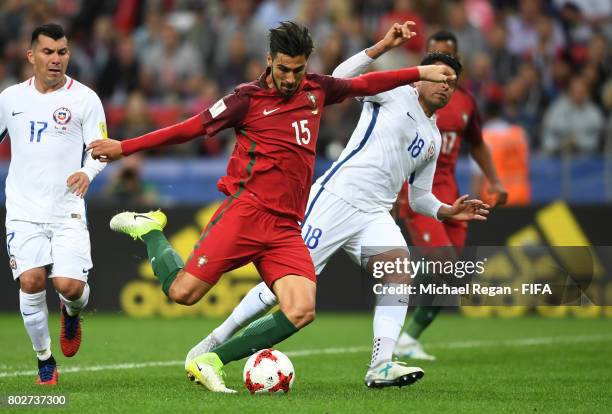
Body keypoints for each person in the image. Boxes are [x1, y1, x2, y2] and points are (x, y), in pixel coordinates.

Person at [88, 21, 457, 393]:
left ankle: (211, 360)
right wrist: (125, 147)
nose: (290, 78)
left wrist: (418, 71)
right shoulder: (245, 99)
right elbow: (192, 127)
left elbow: (363, 84)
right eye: (283, 69)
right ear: (269, 61)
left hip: (286, 227)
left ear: (306, 64)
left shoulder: (316, 90)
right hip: (247, 212)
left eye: (297, 70)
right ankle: (151, 230)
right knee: (183, 293)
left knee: (301, 309)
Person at [185, 22, 489, 388]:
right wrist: (382, 46)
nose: (445, 86)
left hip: (375, 212)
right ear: (421, 77)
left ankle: (381, 364)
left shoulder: (433, 137)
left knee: (398, 270)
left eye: (452, 83)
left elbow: (420, 196)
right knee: (278, 288)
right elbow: (342, 75)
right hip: (336, 198)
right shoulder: (393, 93)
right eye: (440, 77)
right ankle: (216, 340)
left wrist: (447, 210)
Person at [0, 24, 107, 385]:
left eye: (62, 52)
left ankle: (71, 312)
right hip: (23, 212)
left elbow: (101, 150)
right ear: (31, 56)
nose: (56, 59)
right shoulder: (10, 99)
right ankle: (45, 361)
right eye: (48, 52)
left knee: (68, 286)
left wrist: (88, 173)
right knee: (31, 281)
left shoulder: (85, 99)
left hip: (67, 210)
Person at [394, 30, 507, 360]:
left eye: (448, 57)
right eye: (435, 56)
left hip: (449, 192)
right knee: (442, 264)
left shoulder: (464, 101)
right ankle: (397, 330)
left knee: (452, 273)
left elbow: (477, 144)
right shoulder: (409, 95)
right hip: (417, 189)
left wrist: (495, 181)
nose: (442, 66)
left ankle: (409, 338)